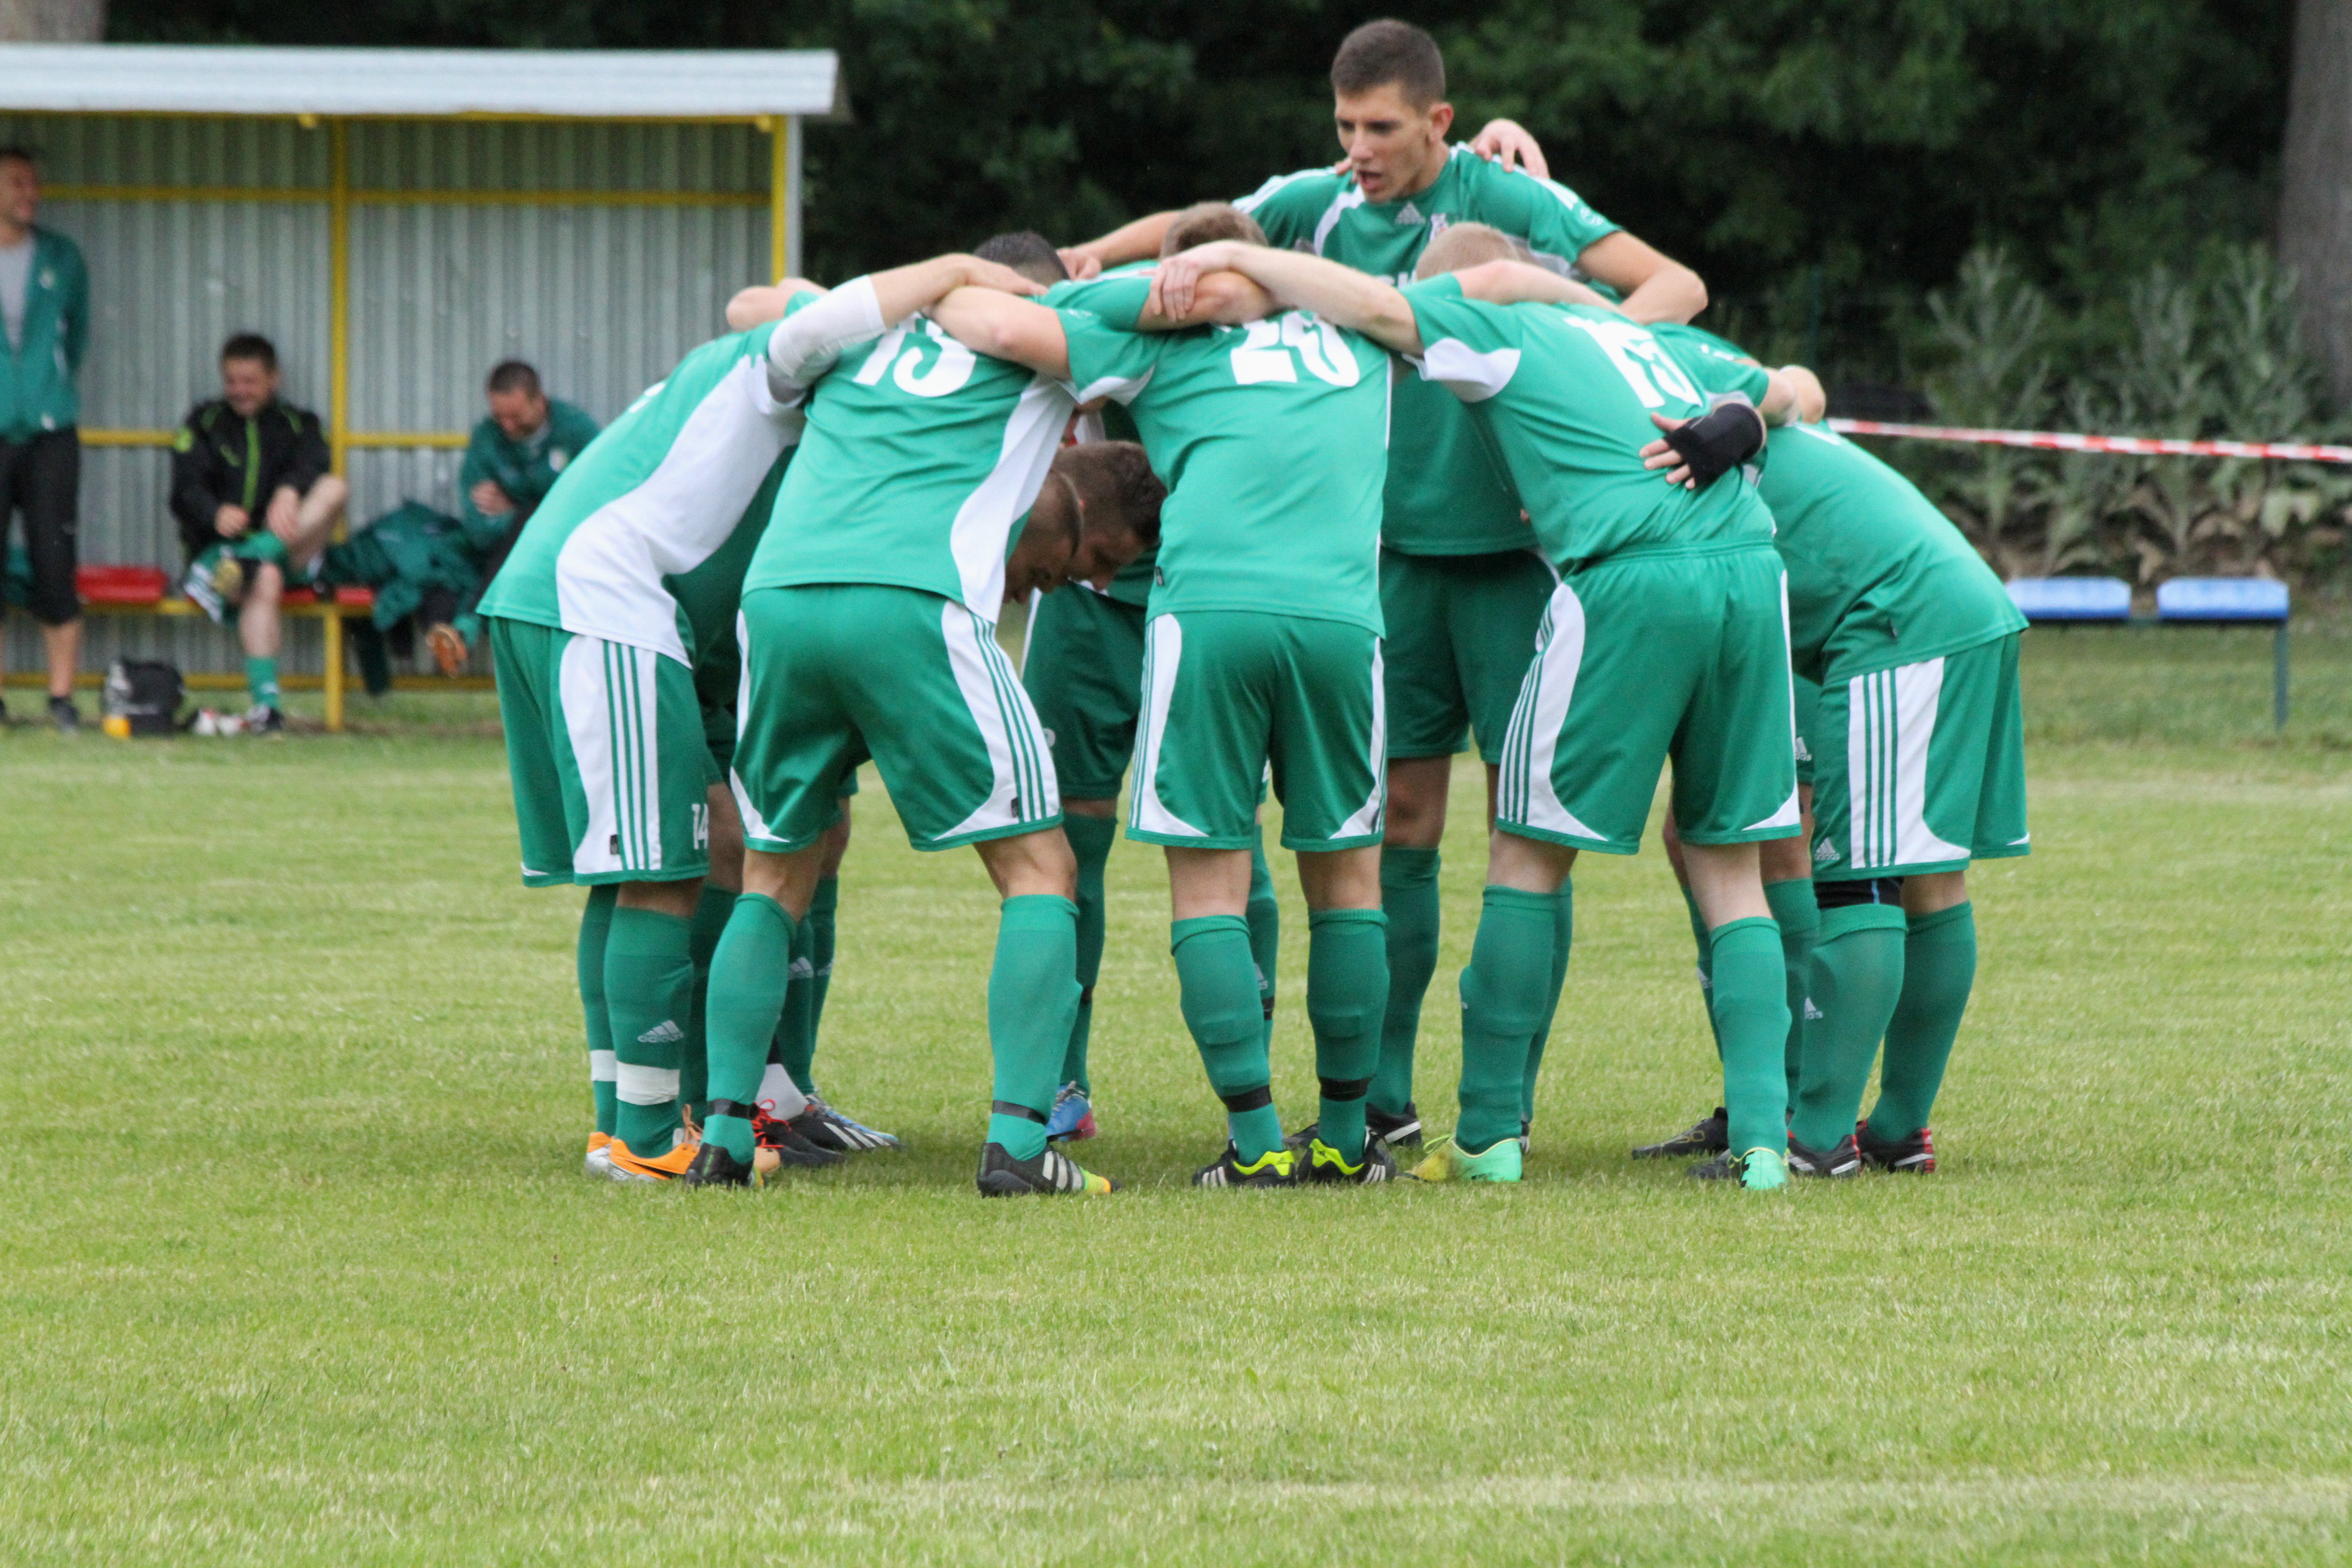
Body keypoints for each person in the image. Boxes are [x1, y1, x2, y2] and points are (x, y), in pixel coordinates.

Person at [1061, 20, 1710, 1154]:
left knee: (1526, 828)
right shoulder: (1312, 205)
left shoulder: (1504, 197)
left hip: (1512, 554)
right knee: (1392, 825)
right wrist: (1087, 256)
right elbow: (1196, 231)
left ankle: (1501, 1102)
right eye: (1345, 126)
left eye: (1380, 128)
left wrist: (1581, 355)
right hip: (1389, 560)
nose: (1357, 149)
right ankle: (1387, 1097)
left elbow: (1679, 286)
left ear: (1438, 124)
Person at [1156, 226, 1805, 1188]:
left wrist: (1249, 261)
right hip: (1753, 573)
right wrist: (1746, 417)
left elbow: (1380, 307)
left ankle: (1489, 1135)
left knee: (1525, 852)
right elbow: (1788, 389)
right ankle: (1761, 1146)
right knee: (1729, 867)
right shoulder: (1635, 337)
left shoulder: (1495, 324)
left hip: (1627, 576)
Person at [683, 243, 1190, 1196]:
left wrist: (932, 282)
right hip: (912, 597)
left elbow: (755, 306)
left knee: (772, 875)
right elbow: (1173, 302)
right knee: (1042, 868)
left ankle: (723, 1139)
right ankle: (1020, 1148)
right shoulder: (1049, 329)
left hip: (780, 599)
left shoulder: (865, 330)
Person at [927, 215, 1416, 1189]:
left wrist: (945, 281)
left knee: (1208, 887)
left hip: (1206, 613)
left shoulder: (1163, 338)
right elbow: (1495, 295)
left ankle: (1256, 1147)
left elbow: (1006, 323)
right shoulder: (1364, 326)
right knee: (1350, 885)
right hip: (1340, 615)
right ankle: (1347, 1139)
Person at [475, 277, 915, 1182]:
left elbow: (762, 300)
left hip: (590, 605)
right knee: (664, 872)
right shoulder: (792, 375)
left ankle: (636, 1122)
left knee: (657, 865)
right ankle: (645, 1137)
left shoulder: (768, 381)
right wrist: (950, 277)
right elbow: (772, 305)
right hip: (607, 606)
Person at [1640, 326, 2030, 1176]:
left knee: (1861, 877)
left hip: (1897, 619)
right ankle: (1894, 1131)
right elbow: (1796, 389)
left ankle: (1816, 1138)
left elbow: (1791, 385)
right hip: (1949, 606)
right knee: (1927, 877)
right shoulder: (1701, 387)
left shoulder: (1666, 403)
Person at [994, 216, 1269, 1149]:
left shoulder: (1293, 346)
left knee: (1233, 846)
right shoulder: (1123, 323)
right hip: (1086, 607)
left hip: (1211, 607)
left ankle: (1253, 1085)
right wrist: (1096, 265)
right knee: (1069, 845)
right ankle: (1059, 1081)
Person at [169, 334, 348, 735]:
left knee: (334, 488)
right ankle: (267, 708)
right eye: (231, 381)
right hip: (219, 555)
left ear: (274, 379)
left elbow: (315, 463)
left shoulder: (300, 424)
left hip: (283, 545)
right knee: (264, 577)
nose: (239, 390)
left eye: (249, 381)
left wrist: (290, 489)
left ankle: (257, 552)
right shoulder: (204, 423)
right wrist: (215, 513)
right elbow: (183, 491)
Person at [430, 362, 601, 675]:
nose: (507, 426)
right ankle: (460, 634)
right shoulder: (486, 439)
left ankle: (465, 629)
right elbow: (480, 529)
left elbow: (596, 507)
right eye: (500, 417)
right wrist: (530, 515)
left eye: (516, 416)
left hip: (571, 560)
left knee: (526, 524)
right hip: (505, 559)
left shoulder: (578, 432)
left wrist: (520, 510)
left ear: (540, 402)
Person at [0, 146, 90, 732]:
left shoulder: (62, 257)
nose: (30, 194)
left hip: (51, 434)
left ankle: (61, 698)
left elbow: (76, 337)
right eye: (17, 183)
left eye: (34, 183)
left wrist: (43, 390)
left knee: (54, 561)